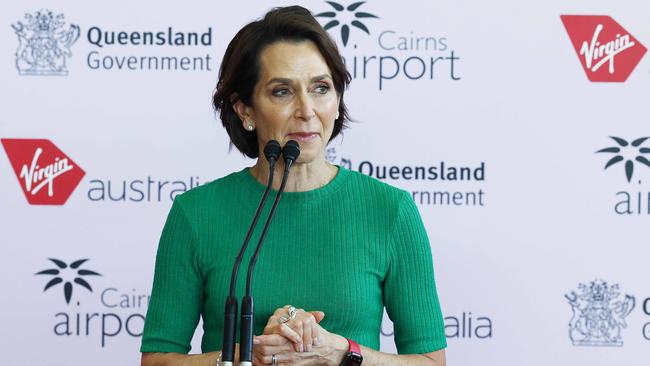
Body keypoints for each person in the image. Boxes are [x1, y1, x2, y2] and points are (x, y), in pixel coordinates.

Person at [140, 5, 446, 366]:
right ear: (245, 110)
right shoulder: (196, 213)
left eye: (320, 88)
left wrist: (343, 353)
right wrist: (247, 355)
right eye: (282, 92)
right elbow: (157, 361)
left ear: (336, 100)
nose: (307, 110)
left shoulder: (390, 210)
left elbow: (430, 361)